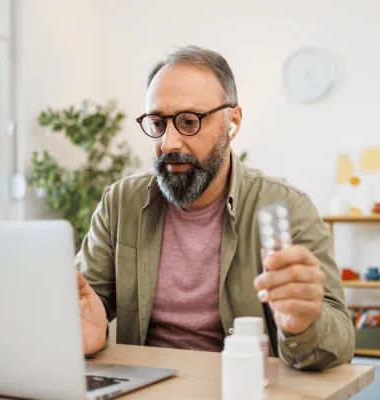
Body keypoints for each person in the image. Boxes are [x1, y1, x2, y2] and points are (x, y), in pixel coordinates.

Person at [75, 46, 354, 370]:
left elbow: (341, 343)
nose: (169, 143)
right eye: (157, 123)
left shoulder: (287, 208)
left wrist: (305, 324)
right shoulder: (121, 203)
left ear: (232, 122)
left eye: (189, 121)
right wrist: (84, 332)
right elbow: (86, 303)